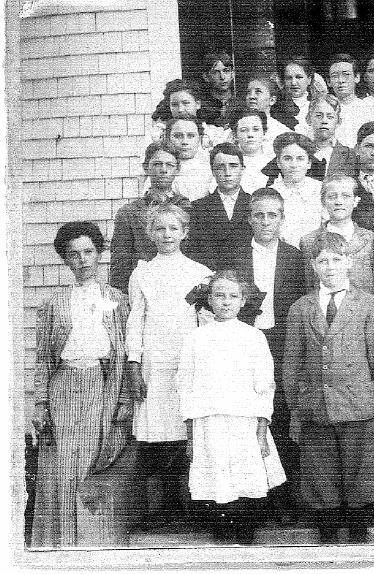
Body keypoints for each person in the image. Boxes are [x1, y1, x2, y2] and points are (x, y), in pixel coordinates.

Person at [283, 231, 374, 544]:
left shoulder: (368, 304)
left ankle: (358, 533)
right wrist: (295, 410)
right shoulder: (301, 308)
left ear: (348, 262)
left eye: (336, 259)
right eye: (322, 261)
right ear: (313, 266)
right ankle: (328, 533)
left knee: (361, 468)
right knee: (320, 470)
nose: (330, 266)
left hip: (358, 403)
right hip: (315, 406)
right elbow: (292, 363)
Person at [30, 222, 131, 547]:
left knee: (91, 464)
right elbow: (44, 358)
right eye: (73, 255)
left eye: (89, 252)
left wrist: (125, 397)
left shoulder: (117, 300)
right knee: (61, 468)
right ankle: (60, 543)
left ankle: (91, 544)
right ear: (65, 260)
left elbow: (127, 353)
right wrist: (41, 402)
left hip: (101, 388)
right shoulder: (54, 304)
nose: (83, 260)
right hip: (63, 389)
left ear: (100, 254)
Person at [177, 270, 286, 544]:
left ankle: (245, 539)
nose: (226, 301)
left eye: (233, 296)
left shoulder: (253, 337)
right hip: (209, 423)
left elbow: (264, 386)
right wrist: (191, 437)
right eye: (219, 295)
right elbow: (186, 387)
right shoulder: (195, 338)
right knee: (217, 483)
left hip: (244, 423)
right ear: (209, 300)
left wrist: (261, 433)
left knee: (245, 480)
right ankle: (223, 540)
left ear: (243, 301)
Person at [126, 203, 213, 528]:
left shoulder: (198, 272)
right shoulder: (143, 273)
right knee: (158, 435)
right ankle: (165, 508)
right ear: (151, 233)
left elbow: (204, 321)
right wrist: (134, 363)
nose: (166, 235)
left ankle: (194, 507)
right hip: (154, 364)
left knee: (187, 430)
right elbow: (137, 319)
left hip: (187, 363)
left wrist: (203, 364)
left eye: (173, 228)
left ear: (184, 232)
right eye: (160, 229)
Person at [231, 187, 306, 524]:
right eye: (258, 215)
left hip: (283, 342)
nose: (265, 221)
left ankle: (285, 499)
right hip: (246, 341)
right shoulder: (234, 255)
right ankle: (254, 501)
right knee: (248, 417)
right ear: (249, 219)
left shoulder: (294, 256)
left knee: (281, 414)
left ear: (282, 219)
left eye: (272, 215)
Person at [110, 143, 191, 292]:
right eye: (157, 164)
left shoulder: (188, 209)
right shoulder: (129, 213)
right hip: (145, 289)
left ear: (177, 169)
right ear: (146, 167)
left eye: (170, 165)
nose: (164, 170)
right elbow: (120, 264)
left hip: (182, 288)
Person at [300, 174, 374, 298]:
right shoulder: (309, 241)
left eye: (346, 196)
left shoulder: (371, 240)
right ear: (323, 201)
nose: (339, 202)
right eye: (332, 197)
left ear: (356, 201)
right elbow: (308, 287)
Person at [184, 142, 252, 271]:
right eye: (221, 167)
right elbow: (192, 252)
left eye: (233, 166)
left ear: (242, 169)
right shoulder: (197, 209)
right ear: (212, 171)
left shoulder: (253, 204)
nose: (227, 173)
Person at [270, 132, 325, 248]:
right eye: (287, 158)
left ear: (309, 163)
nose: (294, 165)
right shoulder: (270, 194)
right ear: (278, 163)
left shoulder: (322, 190)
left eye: (300, 158)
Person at [328, 53, 374, 147]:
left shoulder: (370, 109)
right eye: (335, 76)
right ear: (329, 82)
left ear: (357, 77)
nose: (341, 80)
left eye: (346, 75)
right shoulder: (324, 111)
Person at [162, 118, 215, 202]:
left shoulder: (210, 170)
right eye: (178, 136)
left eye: (191, 136)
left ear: (200, 139)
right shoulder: (161, 169)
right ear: (168, 138)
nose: (184, 142)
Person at [228, 108, 275, 193]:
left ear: (264, 132)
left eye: (256, 129)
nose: (250, 135)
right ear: (235, 135)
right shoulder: (228, 162)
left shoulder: (274, 162)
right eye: (243, 130)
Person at [271, 57, 316, 133]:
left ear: (309, 79)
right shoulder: (275, 109)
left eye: (299, 77)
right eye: (289, 78)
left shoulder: (318, 105)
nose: (293, 83)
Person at [199, 51, 236, 127]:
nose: (222, 77)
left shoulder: (241, 104)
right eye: (216, 72)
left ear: (232, 74)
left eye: (226, 71)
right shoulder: (200, 107)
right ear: (206, 77)